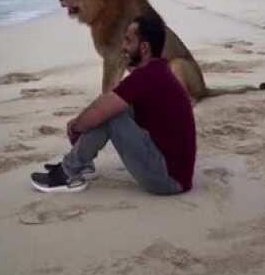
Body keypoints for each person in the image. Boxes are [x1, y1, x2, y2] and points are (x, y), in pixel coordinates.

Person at [30, 13, 196, 195]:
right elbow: (107, 102)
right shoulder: (158, 72)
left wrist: (76, 126)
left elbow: (100, 112)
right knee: (111, 110)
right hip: (170, 171)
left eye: (128, 40)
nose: (123, 46)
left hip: (167, 180)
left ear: (144, 47)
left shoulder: (148, 77)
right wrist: (83, 122)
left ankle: (68, 173)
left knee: (109, 115)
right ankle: (81, 164)